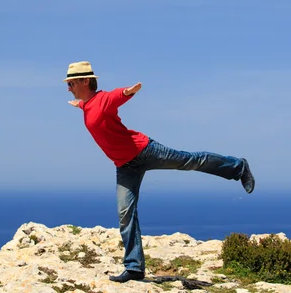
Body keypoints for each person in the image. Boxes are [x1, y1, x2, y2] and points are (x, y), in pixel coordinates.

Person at [64, 61, 255, 283]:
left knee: (190, 160)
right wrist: (79, 104)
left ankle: (238, 167)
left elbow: (117, 96)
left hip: (145, 151)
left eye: (71, 83)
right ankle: (134, 268)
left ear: (85, 81)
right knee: (125, 214)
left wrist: (128, 92)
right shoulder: (87, 105)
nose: (68, 87)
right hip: (125, 166)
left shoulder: (103, 99)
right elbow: (90, 107)